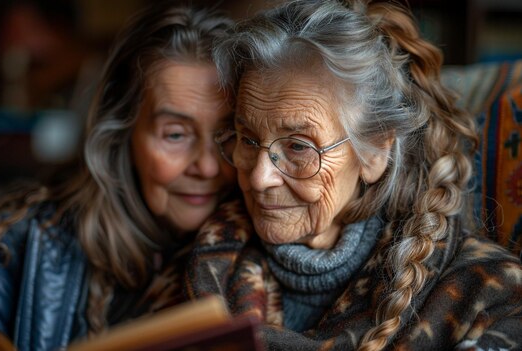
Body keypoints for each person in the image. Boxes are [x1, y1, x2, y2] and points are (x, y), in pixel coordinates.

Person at [183, 1, 522, 350]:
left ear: (375, 152)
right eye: (249, 139)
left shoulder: (485, 297)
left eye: (299, 147)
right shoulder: (201, 263)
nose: (259, 178)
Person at [0, 2, 235, 351]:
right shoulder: (34, 238)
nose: (208, 167)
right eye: (175, 135)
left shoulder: (269, 261)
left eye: (226, 136)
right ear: (122, 135)